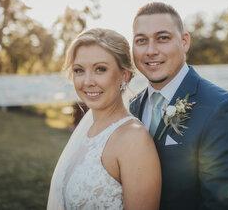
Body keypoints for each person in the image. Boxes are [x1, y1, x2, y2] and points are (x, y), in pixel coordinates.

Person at [129, 2, 228, 210]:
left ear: (184, 42)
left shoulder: (223, 109)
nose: (150, 51)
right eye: (141, 41)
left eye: (163, 38)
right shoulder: (132, 107)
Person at [47, 28, 161, 210]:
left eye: (100, 69)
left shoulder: (134, 139)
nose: (88, 81)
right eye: (79, 70)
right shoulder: (87, 128)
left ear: (124, 75)